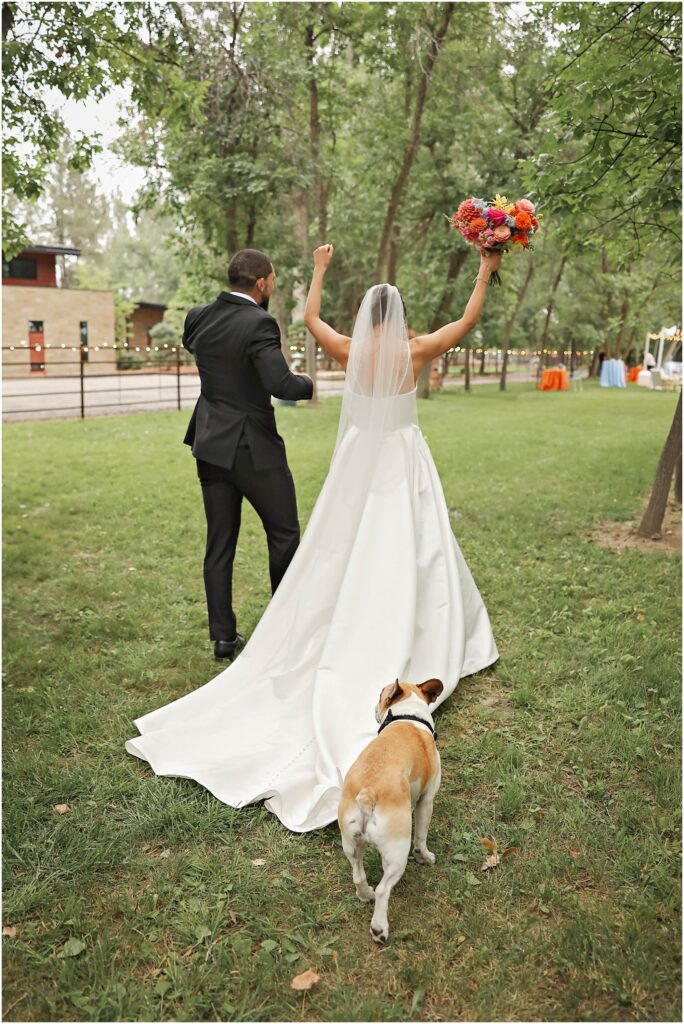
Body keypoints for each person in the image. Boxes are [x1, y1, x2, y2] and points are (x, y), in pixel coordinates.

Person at [126, 245, 500, 833]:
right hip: (401, 462)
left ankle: (303, 620)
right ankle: (411, 616)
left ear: (365, 318)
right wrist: (486, 270)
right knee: (414, 545)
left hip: (354, 463)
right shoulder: (415, 349)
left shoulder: (349, 349)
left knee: (332, 545)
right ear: (400, 319)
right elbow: (467, 321)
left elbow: (309, 320)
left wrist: (320, 269)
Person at [182, 248, 314, 660]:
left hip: (210, 446)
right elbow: (280, 383)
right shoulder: (259, 322)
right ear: (261, 283)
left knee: (219, 543)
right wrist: (308, 383)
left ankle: (223, 638)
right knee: (284, 535)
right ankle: (286, 629)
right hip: (254, 450)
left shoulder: (198, 317)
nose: (272, 285)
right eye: (272, 279)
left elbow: (198, 348)